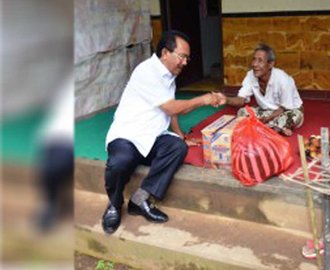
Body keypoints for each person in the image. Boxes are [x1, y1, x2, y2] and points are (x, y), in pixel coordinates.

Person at [101, 30, 225, 234]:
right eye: (182, 56)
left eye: (187, 57)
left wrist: (181, 136)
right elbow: (171, 107)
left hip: (151, 136)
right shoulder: (147, 71)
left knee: (177, 147)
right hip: (128, 136)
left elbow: (171, 111)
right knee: (120, 161)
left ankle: (139, 200)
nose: (185, 62)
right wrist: (203, 99)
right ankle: (114, 205)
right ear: (166, 52)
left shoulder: (169, 76)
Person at [224, 43, 303, 136]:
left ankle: (266, 127)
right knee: (242, 112)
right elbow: (240, 100)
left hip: (287, 110)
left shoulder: (284, 79)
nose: (254, 64)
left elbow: (284, 108)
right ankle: (276, 128)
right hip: (266, 111)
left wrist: (267, 119)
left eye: (260, 61)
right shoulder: (250, 75)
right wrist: (224, 99)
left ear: (270, 64)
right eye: (254, 59)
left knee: (294, 116)